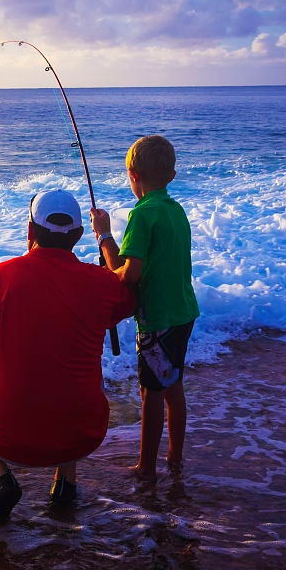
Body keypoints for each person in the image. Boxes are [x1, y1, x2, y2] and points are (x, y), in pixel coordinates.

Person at [0, 190, 134, 526]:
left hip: (12, 437)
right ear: (76, 235)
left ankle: (0, 476)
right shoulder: (103, 284)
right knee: (67, 384)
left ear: (30, 231)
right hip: (85, 432)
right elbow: (129, 293)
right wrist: (105, 238)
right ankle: (65, 487)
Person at [90, 135, 199, 481]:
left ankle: (147, 467)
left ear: (133, 175)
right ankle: (174, 458)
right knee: (173, 386)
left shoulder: (143, 214)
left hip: (158, 318)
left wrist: (104, 236)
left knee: (151, 393)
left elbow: (127, 274)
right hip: (183, 311)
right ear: (172, 174)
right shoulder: (175, 210)